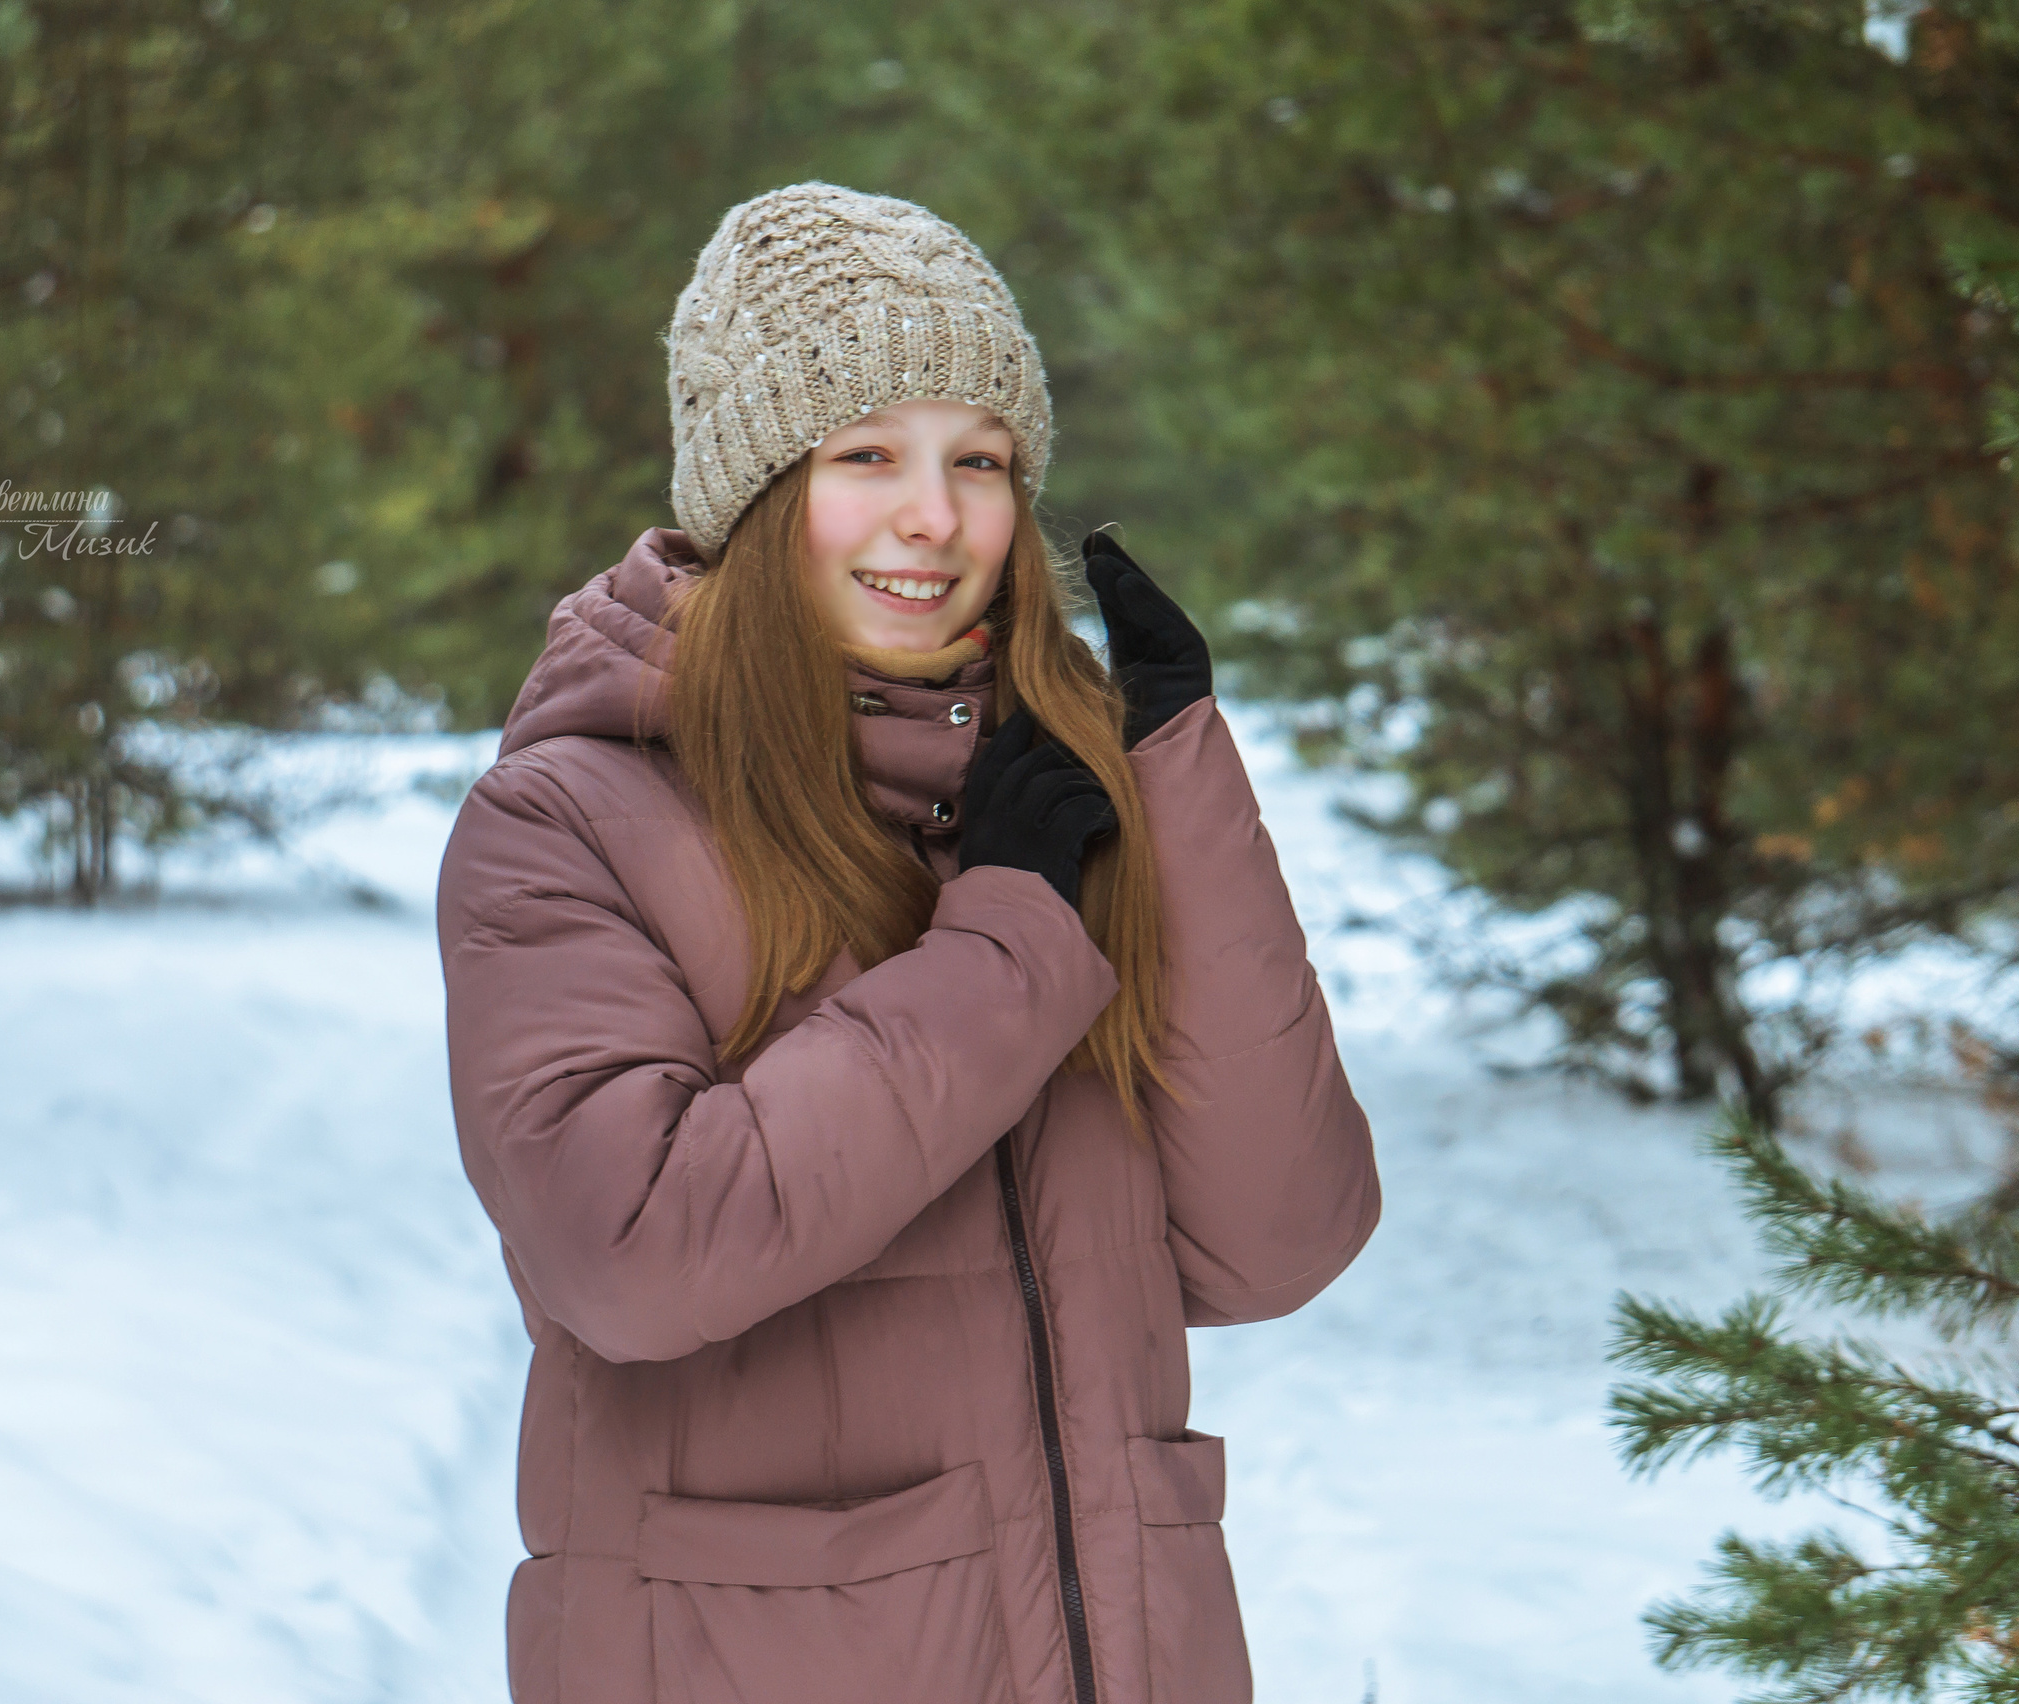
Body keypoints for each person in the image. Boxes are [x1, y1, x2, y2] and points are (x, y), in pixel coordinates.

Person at [436, 181, 1380, 1704]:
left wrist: (1174, 777)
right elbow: (633, 1257)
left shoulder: (1052, 806)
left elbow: (1278, 1242)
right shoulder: (570, 820)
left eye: (981, 460)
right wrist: (999, 947)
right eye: (867, 454)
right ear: (754, 492)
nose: (936, 516)